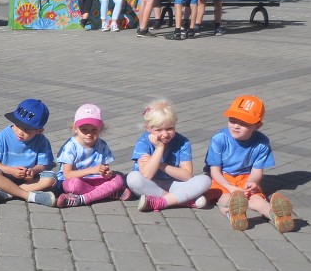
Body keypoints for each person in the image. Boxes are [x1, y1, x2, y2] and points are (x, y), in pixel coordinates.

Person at [204, 95, 294, 232]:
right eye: (232, 120)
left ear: (257, 126)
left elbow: (257, 171)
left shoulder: (262, 143)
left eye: (243, 123)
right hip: (221, 178)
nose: (235, 126)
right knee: (226, 198)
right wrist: (230, 187)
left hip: (245, 178)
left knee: (257, 200)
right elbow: (214, 171)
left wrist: (253, 182)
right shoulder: (220, 139)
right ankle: (234, 215)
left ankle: (276, 216)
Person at [126, 100, 211, 211]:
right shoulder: (143, 142)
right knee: (133, 178)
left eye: (170, 128)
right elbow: (147, 175)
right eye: (159, 130)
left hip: (173, 183)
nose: (165, 134)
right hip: (151, 185)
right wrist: (159, 148)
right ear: (147, 128)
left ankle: (162, 202)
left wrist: (160, 165)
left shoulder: (182, 142)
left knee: (205, 180)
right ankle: (182, 200)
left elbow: (187, 175)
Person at [0, 98, 57, 206]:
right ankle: (29, 196)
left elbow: (43, 164)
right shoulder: (3, 136)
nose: (20, 132)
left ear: (39, 131)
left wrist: (33, 171)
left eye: (27, 130)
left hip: (28, 180)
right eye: (17, 125)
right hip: (5, 175)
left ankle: (7, 193)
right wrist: (11, 170)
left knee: (52, 179)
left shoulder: (42, 140)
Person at [55, 104, 129, 207]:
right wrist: (92, 170)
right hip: (75, 180)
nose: (89, 134)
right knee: (74, 185)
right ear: (75, 128)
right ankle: (105, 193)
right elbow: (67, 174)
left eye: (94, 129)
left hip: (95, 180)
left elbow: (105, 169)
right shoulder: (70, 146)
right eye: (84, 129)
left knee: (118, 179)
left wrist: (106, 173)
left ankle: (81, 199)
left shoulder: (102, 145)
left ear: (101, 128)